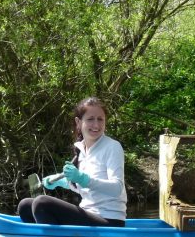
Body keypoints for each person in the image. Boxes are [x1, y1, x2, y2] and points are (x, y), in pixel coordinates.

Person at [17, 97, 127, 227]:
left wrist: (83, 179)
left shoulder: (112, 146)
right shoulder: (81, 150)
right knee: (25, 205)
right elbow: (87, 189)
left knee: (42, 203)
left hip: (109, 220)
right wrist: (62, 182)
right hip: (88, 214)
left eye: (100, 119)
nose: (96, 125)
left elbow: (117, 189)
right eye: (90, 119)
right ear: (78, 122)